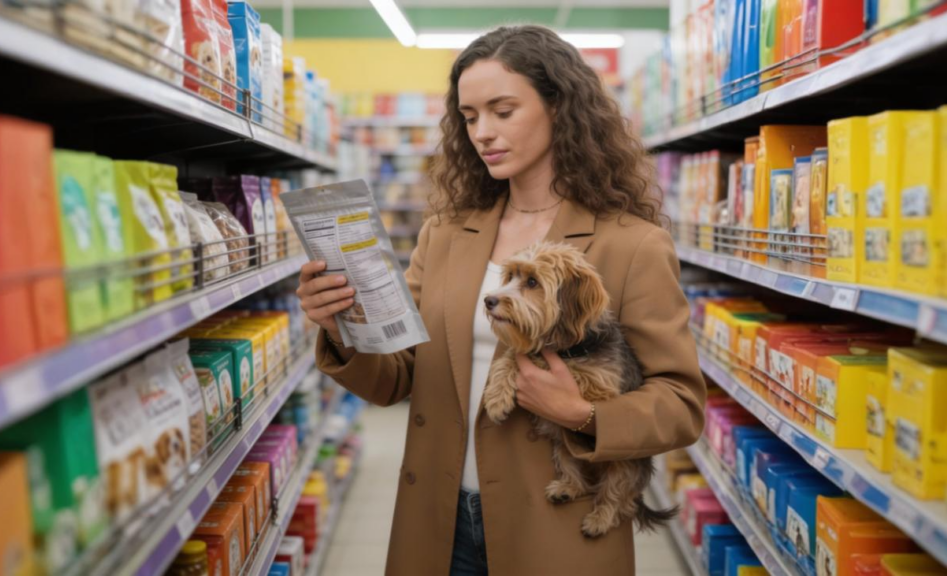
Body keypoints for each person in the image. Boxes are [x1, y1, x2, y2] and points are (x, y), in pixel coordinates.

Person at [296, 25, 705, 576]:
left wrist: (583, 414)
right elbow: (396, 376)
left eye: (502, 110)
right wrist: (344, 323)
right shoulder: (445, 233)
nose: (482, 132)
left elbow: (680, 405)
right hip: (439, 521)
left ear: (560, 107)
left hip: (554, 526)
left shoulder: (631, 244)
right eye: (469, 117)